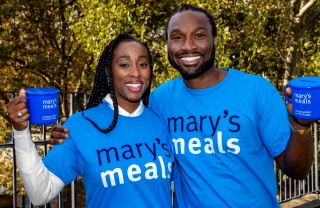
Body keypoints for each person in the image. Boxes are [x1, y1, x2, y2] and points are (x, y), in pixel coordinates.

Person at [49, 4, 315, 207]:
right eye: (177, 37)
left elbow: (297, 170)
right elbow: (123, 131)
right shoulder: (160, 100)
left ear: (214, 39)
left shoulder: (256, 91)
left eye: (199, 35)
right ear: (167, 45)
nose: (188, 46)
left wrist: (300, 125)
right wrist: (71, 135)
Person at [6, 33, 174, 208]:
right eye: (124, 64)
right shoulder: (79, 126)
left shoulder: (162, 122)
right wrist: (20, 131)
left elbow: (178, 185)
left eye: (143, 64)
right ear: (108, 72)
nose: (136, 73)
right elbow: (40, 193)